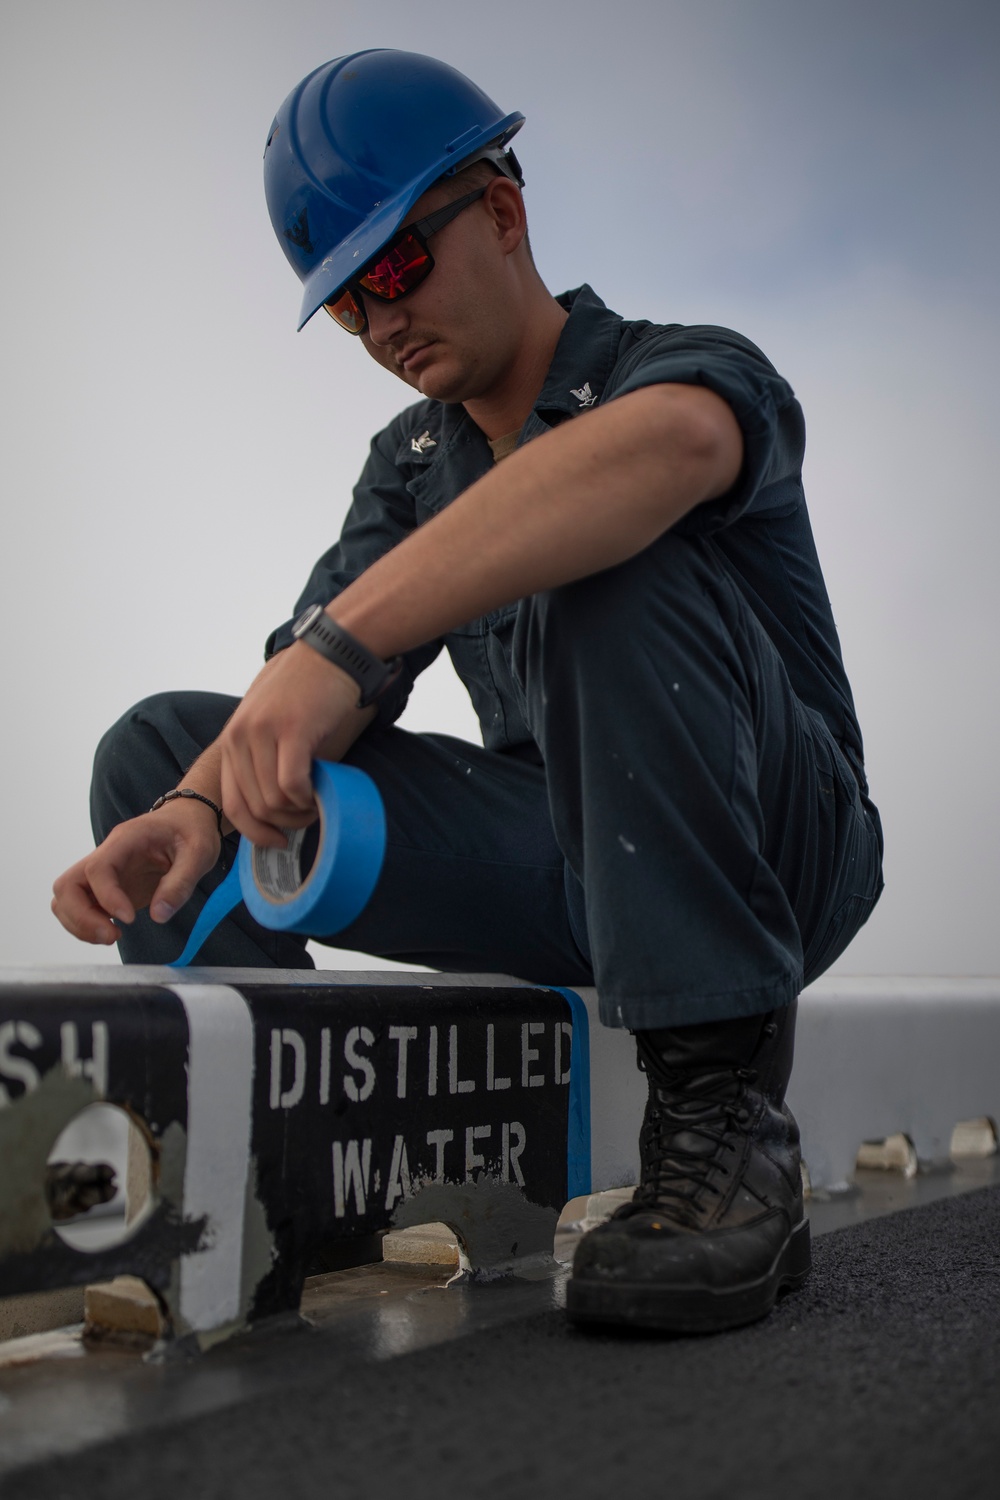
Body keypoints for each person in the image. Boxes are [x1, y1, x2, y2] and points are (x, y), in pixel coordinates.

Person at [51, 49, 884, 1333]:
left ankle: (725, 1140)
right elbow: (305, 690)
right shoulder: (414, 460)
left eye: (392, 270)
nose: (380, 325)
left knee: (600, 550)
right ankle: (291, 1177)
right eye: (345, 306)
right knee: (166, 751)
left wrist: (332, 649)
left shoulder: (681, 366)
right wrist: (201, 809)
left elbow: (667, 450)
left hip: (775, 850)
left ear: (501, 213)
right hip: (574, 858)